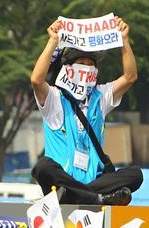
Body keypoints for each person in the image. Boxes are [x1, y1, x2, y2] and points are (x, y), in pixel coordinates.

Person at [30, 16, 143, 205]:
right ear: (68, 68)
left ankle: (75, 196)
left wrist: (124, 39)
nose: (88, 68)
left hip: (90, 183)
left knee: (135, 174)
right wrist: (53, 41)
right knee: (43, 167)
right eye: (82, 63)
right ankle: (95, 198)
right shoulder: (55, 98)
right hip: (61, 180)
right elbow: (36, 80)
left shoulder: (101, 97)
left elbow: (130, 77)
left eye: (92, 65)